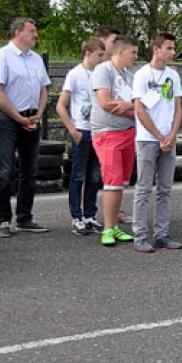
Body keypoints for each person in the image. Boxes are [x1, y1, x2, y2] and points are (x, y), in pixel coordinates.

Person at [0, 17, 51, 237]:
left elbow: (43, 88)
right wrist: (18, 117)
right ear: (18, 33)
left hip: (31, 117)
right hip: (8, 118)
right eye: (32, 30)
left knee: (30, 170)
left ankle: (25, 217)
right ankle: (3, 219)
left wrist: (39, 114)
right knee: (5, 171)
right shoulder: (2, 56)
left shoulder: (35, 59)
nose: (36, 34)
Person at [129, 32, 182, 252]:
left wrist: (172, 135)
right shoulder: (142, 75)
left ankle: (162, 233)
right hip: (148, 139)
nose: (172, 52)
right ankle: (140, 235)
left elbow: (178, 107)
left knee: (165, 188)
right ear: (156, 49)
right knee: (143, 188)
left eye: (173, 48)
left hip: (168, 139)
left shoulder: (173, 75)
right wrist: (159, 137)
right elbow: (140, 109)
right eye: (168, 48)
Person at [90, 35, 139, 247]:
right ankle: (108, 229)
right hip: (107, 132)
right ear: (121, 51)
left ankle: (115, 225)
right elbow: (106, 103)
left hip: (128, 132)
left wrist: (130, 107)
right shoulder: (103, 70)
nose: (136, 57)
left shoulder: (130, 75)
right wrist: (132, 109)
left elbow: (139, 105)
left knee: (122, 182)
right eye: (133, 53)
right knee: (112, 182)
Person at [56, 37, 106, 236]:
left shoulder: (102, 74)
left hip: (98, 130)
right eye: (99, 55)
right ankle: (76, 216)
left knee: (94, 175)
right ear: (88, 54)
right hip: (82, 130)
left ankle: (90, 215)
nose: (102, 59)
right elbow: (61, 105)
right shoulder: (75, 74)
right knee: (78, 175)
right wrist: (72, 129)